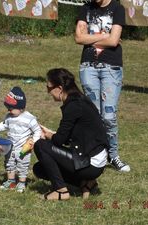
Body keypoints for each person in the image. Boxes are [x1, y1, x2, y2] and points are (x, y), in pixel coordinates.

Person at [33, 68, 109, 200]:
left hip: (91, 163)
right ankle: (86, 183)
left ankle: (61, 191)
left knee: (40, 145)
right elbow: (71, 136)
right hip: (95, 160)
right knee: (39, 169)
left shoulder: (73, 106)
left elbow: (59, 140)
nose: (48, 91)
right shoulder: (80, 100)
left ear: (60, 88)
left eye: (49, 87)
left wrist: (47, 135)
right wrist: (51, 133)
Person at [74, 0, 130, 172]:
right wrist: (105, 36)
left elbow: (114, 42)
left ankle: (113, 155)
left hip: (111, 68)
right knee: (93, 115)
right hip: (88, 67)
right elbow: (78, 38)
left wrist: (89, 39)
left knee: (108, 115)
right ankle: (98, 154)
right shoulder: (86, 9)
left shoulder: (117, 9)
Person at [0, 87, 42, 193]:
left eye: (11, 108)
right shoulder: (9, 117)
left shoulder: (29, 119)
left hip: (23, 147)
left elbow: (37, 130)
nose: (8, 110)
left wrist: (33, 141)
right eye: (7, 107)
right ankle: (11, 181)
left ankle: (21, 182)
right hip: (11, 146)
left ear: (21, 108)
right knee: (9, 163)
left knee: (22, 164)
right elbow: (4, 125)